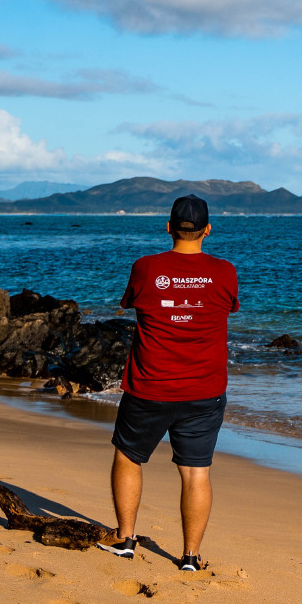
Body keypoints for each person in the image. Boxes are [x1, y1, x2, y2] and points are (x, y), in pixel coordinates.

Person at [98, 194, 239, 570]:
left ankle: (125, 538)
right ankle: (190, 556)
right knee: (196, 473)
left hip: (150, 385)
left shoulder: (146, 267)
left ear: (169, 227)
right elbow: (226, 305)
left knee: (129, 457)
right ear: (208, 230)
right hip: (204, 390)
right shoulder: (225, 271)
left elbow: (132, 303)